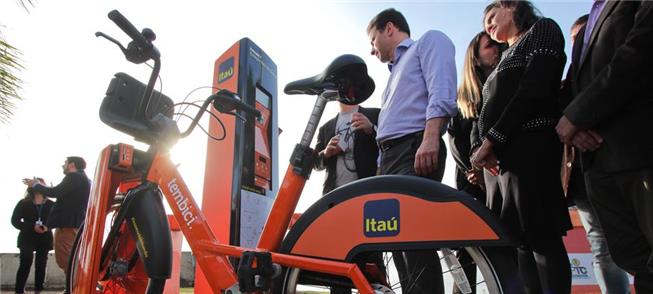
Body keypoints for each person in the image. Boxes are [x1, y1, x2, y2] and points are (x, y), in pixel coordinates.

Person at [470, 1, 572, 293]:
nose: (487, 26)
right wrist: (479, 151)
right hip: (498, 164)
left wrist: (493, 140)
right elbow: (484, 111)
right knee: (519, 244)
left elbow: (534, 89)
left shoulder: (542, 30)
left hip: (529, 150)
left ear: (511, 5)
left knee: (541, 237)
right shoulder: (502, 58)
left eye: (491, 17)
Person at [556, 1, 653, 291]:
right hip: (598, 162)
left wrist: (578, 116)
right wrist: (571, 127)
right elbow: (572, 85)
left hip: (639, 149)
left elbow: (638, 52)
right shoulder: (587, 29)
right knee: (636, 261)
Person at [367, 8, 457, 293]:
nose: (372, 50)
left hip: (414, 147)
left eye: (372, 40)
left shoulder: (428, 42)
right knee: (396, 244)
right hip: (392, 157)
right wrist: (381, 166)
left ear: (389, 28)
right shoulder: (393, 75)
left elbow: (441, 89)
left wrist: (430, 138)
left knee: (413, 242)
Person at [560, 13, 631, 294]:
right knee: (600, 244)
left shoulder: (611, 64)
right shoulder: (567, 81)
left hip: (628, 157)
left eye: (582, 38)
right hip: (585, 172)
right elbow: (561, 115)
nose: (577, 45)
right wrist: (574, 130)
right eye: (573, 41)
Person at [447, 31, 503, 294]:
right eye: (490, 45)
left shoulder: (503, 85)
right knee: (468, 253)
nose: (497, 47)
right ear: (476, 58)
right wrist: (472, 170)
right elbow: (455, 142)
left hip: (499, 179)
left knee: (505, 249)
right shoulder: (464, 99)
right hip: (471, 183)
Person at [23, 156, 91, 286]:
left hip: (67, 225)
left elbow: (55, 192)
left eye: (65, 163)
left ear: (71, 165)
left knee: (66, 259)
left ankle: (75, 288)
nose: (62, 165)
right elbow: (60, 193)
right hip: (75, 224)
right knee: (71, 259)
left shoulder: (74, 177)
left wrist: (36, 185)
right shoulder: (84, 180)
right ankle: (73, 287)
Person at [314, 102, 380, 195]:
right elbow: (316, 164)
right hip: (333, 195)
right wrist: (326, 153)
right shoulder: (325, 128)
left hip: (367, 191)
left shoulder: (375, 114)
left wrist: (372, 130)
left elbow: (390, 146)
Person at [11, 178, 54, 294]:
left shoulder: (51, 204)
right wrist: (32, 227)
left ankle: (38, 290)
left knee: (41, 264)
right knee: (25, 261)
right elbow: (14, 221)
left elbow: (57, 220)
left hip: (44, 237)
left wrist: (47, 227)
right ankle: (19, 290)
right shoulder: (23, 203)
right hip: (27, 237)